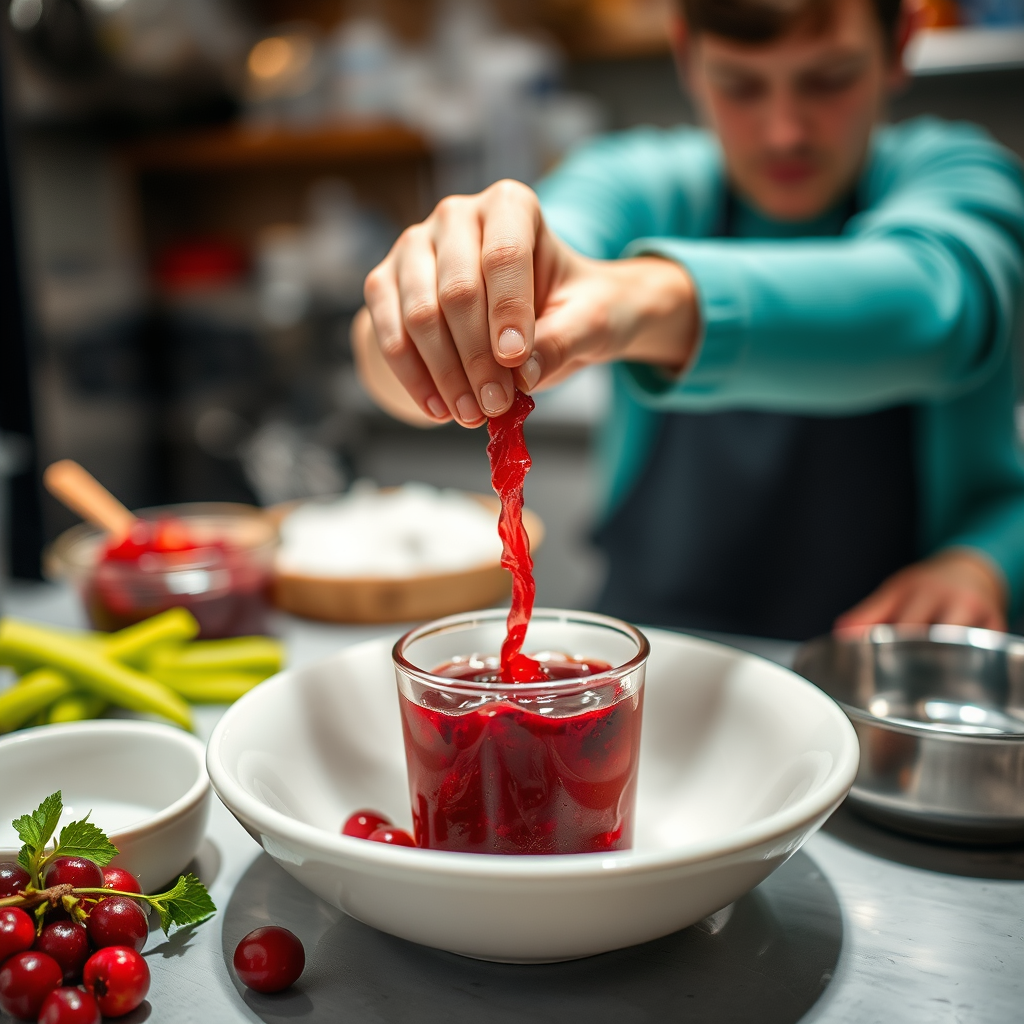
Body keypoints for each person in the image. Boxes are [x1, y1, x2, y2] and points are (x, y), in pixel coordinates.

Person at [352, 0, 1024, 641]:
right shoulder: (636, 182)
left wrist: (985, 561)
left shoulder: (961, 176)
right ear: (687, 54)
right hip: (652, 651)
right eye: (740, 85)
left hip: (873, 666)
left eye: (828, 79)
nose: (784, 130)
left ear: (901, 43)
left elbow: (938, 306)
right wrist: (429, 315)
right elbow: (531, 257)